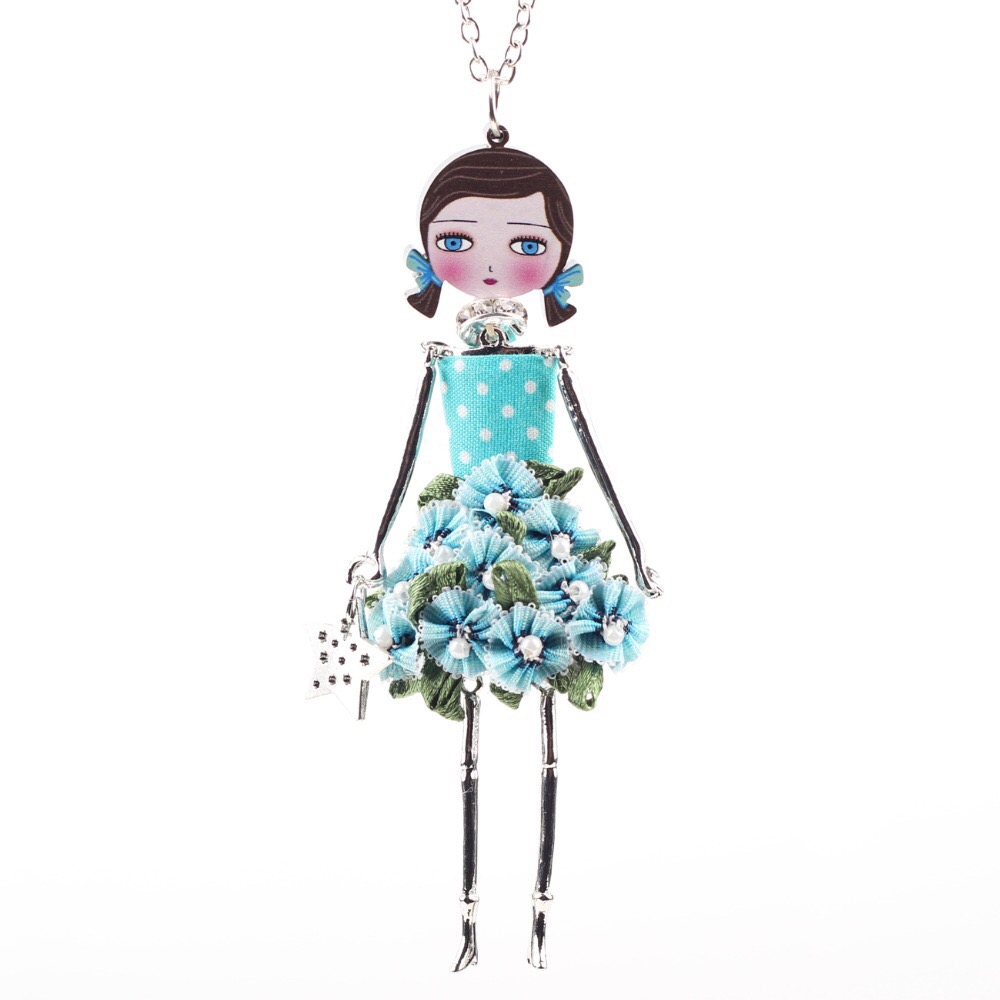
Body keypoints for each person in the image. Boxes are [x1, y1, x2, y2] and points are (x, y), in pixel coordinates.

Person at [360, 143, 660, 970]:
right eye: (460, 241)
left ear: (557, 256)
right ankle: (469, 916)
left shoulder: (549, 359)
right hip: (461, 535)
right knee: (469, 724)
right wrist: (376, 548)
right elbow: (407, 455)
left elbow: (593, 451)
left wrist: (633, 545)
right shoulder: (442, 361)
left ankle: (538, 910)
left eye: (526, 244)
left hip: (543, 535)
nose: (491, 264)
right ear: (432, 252)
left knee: (548, 712)